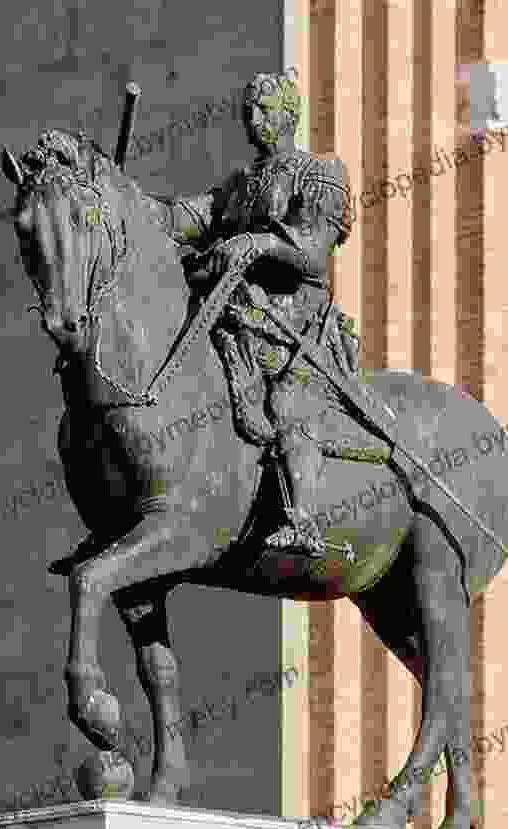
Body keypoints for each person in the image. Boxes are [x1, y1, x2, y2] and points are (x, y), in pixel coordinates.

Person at [149, 71, 360, 557]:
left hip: (293, 324)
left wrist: (260, 241)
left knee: (286, 403)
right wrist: (126, 201)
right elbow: (184, 217)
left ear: (290, 114)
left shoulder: (319, 173)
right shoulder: (239, 186)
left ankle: (304, 520)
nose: (253, 118)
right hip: (236, 320)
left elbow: (313, 251)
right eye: (247, 110)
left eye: (264, 109)